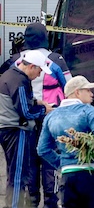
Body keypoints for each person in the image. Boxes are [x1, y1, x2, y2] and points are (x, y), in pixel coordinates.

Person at [0, 22, 72, 208]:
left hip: (24, 124)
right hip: (50, 118)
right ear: (46, 37)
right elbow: (70, 88)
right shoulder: (56, 60)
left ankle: (31, 203)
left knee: (28, 166)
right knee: (50, 164)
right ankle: (50, 203)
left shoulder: (14, 61)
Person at [37, 75, 94, 208]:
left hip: (68, 177)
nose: (92, 94)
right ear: (77, 92)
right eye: (88, 90)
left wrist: (62, 163)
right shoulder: (88, 111)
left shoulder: (51, 116)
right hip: (93, 175)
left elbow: (42, 149)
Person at [0, 49, 54, 208]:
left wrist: (37, 101)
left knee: (13, 172)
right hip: (16, 131)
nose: (39, 75)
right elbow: (26, 112)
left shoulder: (9, 75)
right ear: (31, 66)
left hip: (5, 128)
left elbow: (23, 101)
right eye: (39, 71)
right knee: (18, 175)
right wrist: (45, 110)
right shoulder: (19, 81)